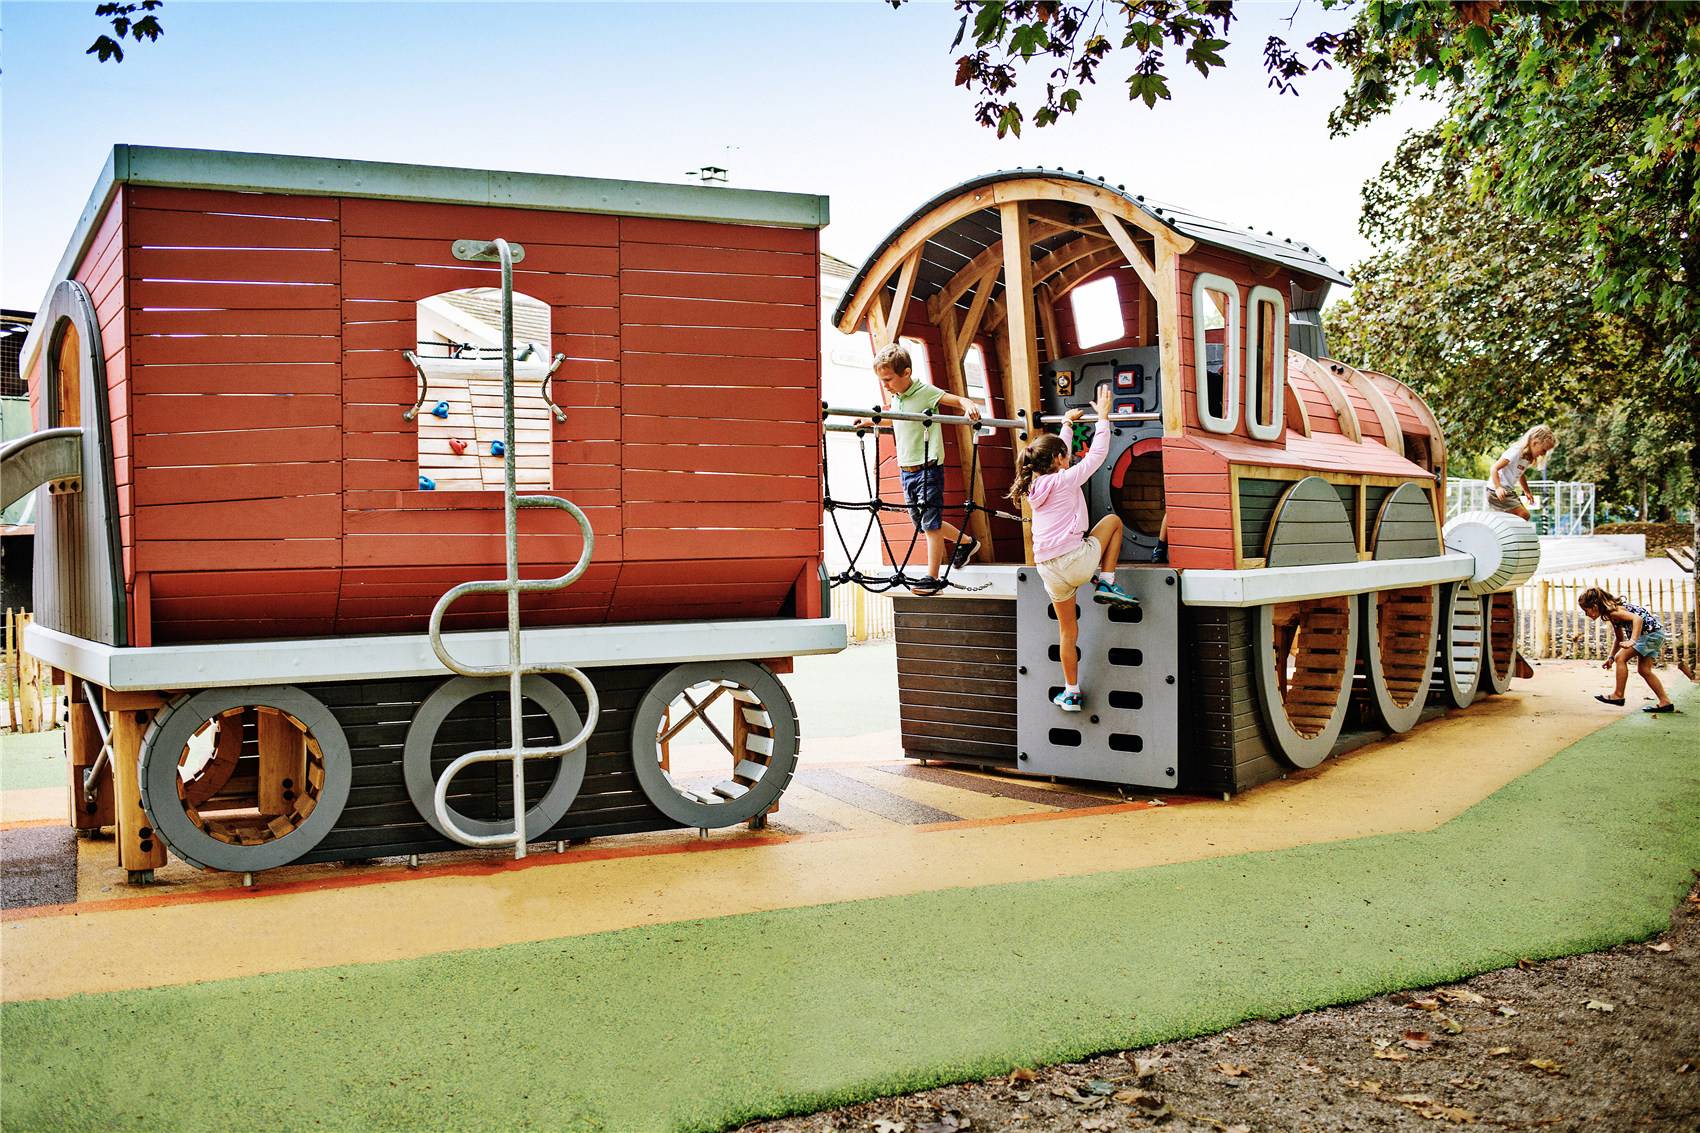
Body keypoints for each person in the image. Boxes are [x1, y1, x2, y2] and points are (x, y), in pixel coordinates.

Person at [1009, 383, 1139, 713]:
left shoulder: (1034, 484)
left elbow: (1058, 452)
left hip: (1048, 570)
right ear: (1059, 460)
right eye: (1065, 455)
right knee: (1113, 522)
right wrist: (1103, 417)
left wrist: (1067, 424)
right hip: (1075, 561)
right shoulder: (1064, 479)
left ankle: (1071, 692)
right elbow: (1096, 456)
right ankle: (1107, 582)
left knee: (1067, 631)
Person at [855, 343, 984, 595]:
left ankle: (933, 578)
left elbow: (956, 399)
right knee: (921, 523)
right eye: (882, 380)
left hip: (928, 468)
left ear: (906, 373)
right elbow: (896, 417)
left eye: (888, 379)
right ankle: (967, 543)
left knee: (930, 524)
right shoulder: (897, 397)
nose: (885, 385)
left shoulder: (924, 392)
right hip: (907, 470)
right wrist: (871, 421)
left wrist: (968, 405)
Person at [1579, 587, 1675, 712]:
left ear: (1595, 606)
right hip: (1655, 634)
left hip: (1649, 635)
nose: (1586, 614)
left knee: (1621, 658)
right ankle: (1665, 702)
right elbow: (1619, 638)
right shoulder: (1612, 613)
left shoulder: (1615, 612)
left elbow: (1637, 619)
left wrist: (1633, 640)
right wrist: (1611, 657)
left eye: (1586, 610)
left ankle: (1618, 695)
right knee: (1644, 670)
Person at [1488, 424, 1556, 520]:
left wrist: (1527, 491)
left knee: (1520, 516)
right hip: (1496, 492)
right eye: (1544, 450)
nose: (1543, 454)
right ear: (1535, 443)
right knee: (1524, 515)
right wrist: (1498, 487)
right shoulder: (1516, 452)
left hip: (1508, 491)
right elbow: (1494, 468)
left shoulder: (1526, 458)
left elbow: (1521, 475)